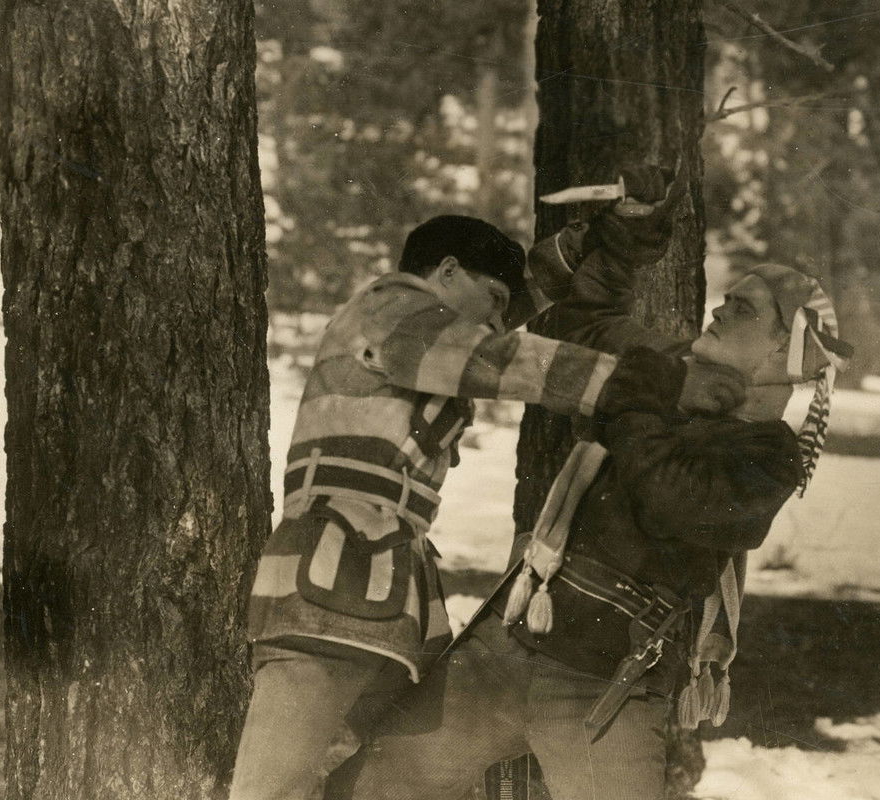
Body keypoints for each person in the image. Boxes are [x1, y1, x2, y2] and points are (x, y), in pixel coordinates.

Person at [337, 171, 853, 800]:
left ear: (781, 354)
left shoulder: (768, 457)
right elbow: (585, 320)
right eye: (728, 299)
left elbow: (670, 498)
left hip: (605, 680)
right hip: (511, 639)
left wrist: (634, 391)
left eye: (742, 309)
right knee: (374, 786)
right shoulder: (665, 372)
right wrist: (626, 241)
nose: (719, 308)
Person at [230, 199, 749, 800]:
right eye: (494, 301)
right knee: (268, 787)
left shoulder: (422, 322)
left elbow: (512, 305)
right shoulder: (392, 308)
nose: (503, 322)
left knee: (384, 778)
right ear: (446, 271)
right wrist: (656, 383)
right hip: (329, 587)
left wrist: (592, 243)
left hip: (371, 594)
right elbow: (495, 357)